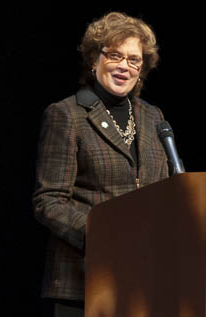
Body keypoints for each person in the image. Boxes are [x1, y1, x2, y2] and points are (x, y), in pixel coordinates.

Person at [32, 12, 169, 316]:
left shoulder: (153, 118)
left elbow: (165, 193)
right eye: (115, 55)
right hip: (84, 281)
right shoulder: (67, 114)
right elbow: (49, 201)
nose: (125, 66)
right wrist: (107, 235)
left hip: (143, 281)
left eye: (134, 60)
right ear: (94, 60)